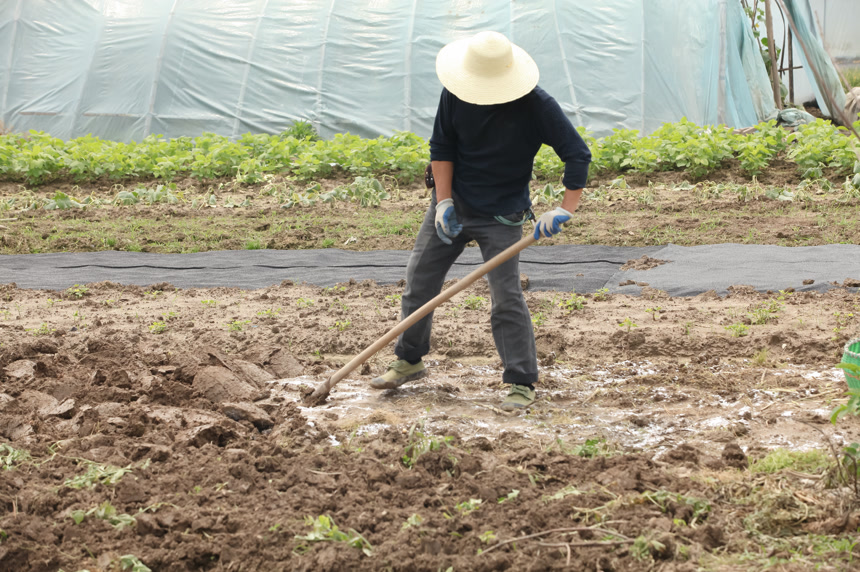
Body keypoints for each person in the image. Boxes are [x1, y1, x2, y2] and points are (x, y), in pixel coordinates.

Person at [370, 31, 592, 411]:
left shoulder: (536, 105)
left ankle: (521, 380)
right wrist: (442, 203)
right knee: (419, 282)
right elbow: (441, 148)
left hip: (503, 215)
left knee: (506, 298)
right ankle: (409, 360)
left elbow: (577, 154)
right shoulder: (456, 92)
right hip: (454, 205)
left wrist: (565, 208)